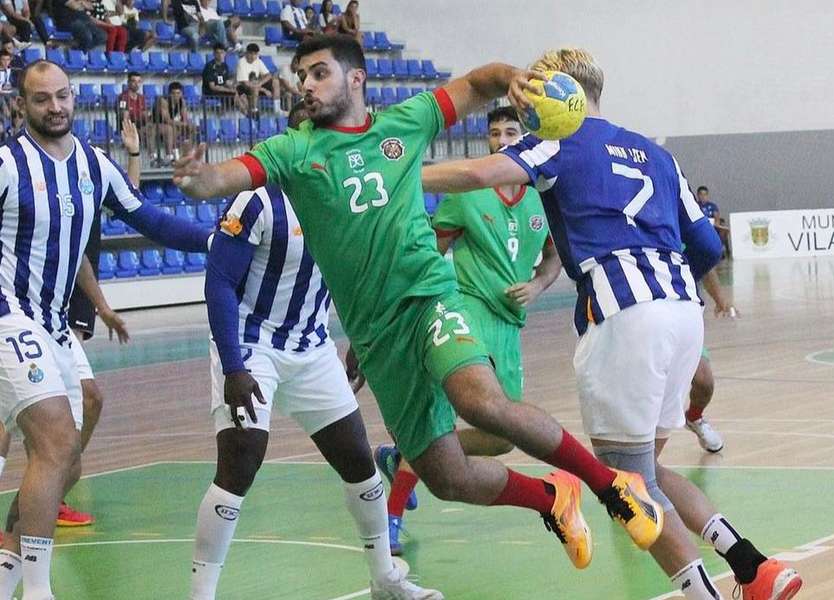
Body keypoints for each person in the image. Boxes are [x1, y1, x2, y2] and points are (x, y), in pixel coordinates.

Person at [174, 34, 665, 577]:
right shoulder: (293, 150)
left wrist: (509, 77)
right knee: (446, 476)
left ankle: (612, 485)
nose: (306, 86)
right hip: (376, 336)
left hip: (429, 297)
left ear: (355, 78)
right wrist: (202, 181)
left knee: (481, 403)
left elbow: (477, 84)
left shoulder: (405, 123)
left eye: (318, 73)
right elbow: (226, 177)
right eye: (301, 76)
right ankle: (553, 499)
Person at [421, 48, 803, 600]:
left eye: (533, 91)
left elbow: (479, 172)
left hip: (624, 314)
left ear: (561, 92)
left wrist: (402, 171)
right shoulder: (656, 153)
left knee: (626, 485)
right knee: (644, 469)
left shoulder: (560, 138)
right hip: (679, 309)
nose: (525, 105)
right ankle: (753, 567)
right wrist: (671, 307)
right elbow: (706, 245)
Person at [190, 99, 443, 600]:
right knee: (241, 461)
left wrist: (354, 337)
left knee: (359, 464)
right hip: (252, 344)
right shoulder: (255, 200)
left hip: (312, 345)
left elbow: (352, 271)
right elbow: (218, 282)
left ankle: (384, 579)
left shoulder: (341, 195)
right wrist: (235, 367)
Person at [0, 60, 211, 600]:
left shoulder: (94, 166)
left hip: (53, 325)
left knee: (62, 459)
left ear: (75, 98)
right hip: (8, 316)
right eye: (41, 98)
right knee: (55, 440)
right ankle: (40, 592)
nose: (55, 107)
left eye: (63, 96)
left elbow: (151, 220)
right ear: (21, 106)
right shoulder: (6, 164)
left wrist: (217, 238)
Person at [376, 105, 563, 555]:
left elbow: (556, 256)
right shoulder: (466, 194)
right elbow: (432, 249)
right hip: (466, 310)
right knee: (442, 413)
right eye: (494, 133)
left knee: (502, 439)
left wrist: (538, 284)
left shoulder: (544, 198)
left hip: (509, 324)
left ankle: (407, 456)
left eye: (510, 132)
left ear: (528, 137)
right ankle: (391, 520)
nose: (501, 140)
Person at [683, 266, 738, 454]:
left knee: (704, 382)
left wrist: (720, 299)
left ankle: (695, 418)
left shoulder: (682, 237)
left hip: (681, 318)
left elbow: (705, 263)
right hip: (642, 320)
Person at [153, 81, 196, 166]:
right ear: (169, 94)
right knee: (170, 129)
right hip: (157, 125)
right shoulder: (163, 101)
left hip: (171, 126)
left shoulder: (182, 102)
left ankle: (188, 153)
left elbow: (185, 118)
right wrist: (183, 124)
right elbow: (167, 120)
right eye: (173, 93)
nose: (176, 96)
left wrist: (187, 125)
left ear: (181, 94)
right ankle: (171, 156)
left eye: (178, 93)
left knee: (192, 127)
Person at [235, 43, 281, 116]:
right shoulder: (241, 62)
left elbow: (268, 75)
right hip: (244, 88)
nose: (253, 56)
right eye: (251, 54)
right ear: (246, 53)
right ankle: (254, 110)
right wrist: (263, 89)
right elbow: (245, 83)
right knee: (255, 88)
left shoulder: (258, 61)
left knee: (275, 81)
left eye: (255, 54)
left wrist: (260, 84)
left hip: (256, 85)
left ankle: (277, 108)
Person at [202, 43, 247, 113]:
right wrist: (229, 90)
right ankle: (247, 114)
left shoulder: (224, 66)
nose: (220, 55)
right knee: (233, 94)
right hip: (211, 93)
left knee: (242, 91)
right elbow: (212, 87)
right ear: (214, 54)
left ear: (225, 54)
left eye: (222, 53)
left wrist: (234, 85)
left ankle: (249, 111)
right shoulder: (209, 66)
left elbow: (226, 82)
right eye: (217, 53)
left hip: (222, 91)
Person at [697, 186, 731, 258]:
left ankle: (718, 250)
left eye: (705, 195)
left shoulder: (712, 206)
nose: (703, 197)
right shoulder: (695, 205)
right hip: (700, 227)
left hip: (712, 226)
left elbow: (717, 217)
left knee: (724, 231)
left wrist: (716, 223)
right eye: (701, 195)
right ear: (698, 195)